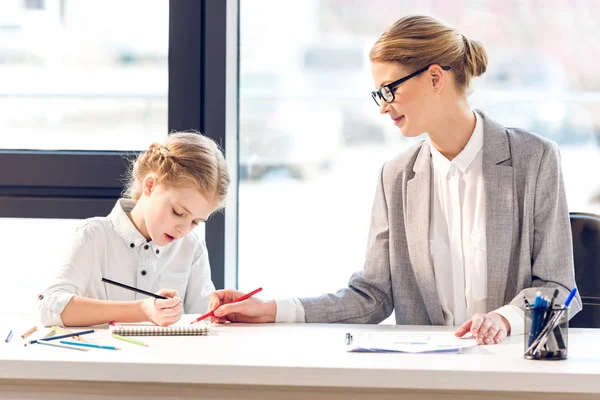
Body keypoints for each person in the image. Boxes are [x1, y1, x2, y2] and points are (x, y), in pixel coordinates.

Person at [208, 15, 582, 345]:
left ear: (435, 77)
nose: (383, 106)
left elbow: (559, 287)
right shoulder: (397, 176)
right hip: (425, 375)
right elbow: (372, 296)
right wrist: (272, 309)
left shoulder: (534, 158)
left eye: (391, 89)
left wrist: (505, 319)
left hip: (511, 369)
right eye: (379, 94)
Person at [37, 132, 230, 327]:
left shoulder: (191, 247)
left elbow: (201, 319)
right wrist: (142, 310)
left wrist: (220, 313)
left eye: (195, 222)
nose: (184, 229)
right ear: (150, 185)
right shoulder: (93, 237)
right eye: (178, 213)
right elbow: (49, 307)